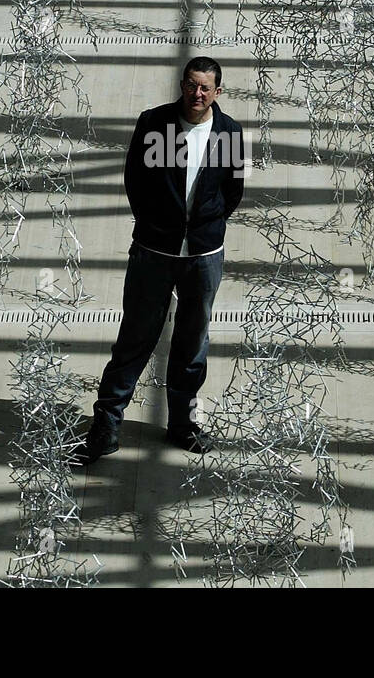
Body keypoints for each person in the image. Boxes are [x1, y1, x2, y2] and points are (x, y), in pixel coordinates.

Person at [72, 57, 245, 467]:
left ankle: (183, 425)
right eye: (191, 85)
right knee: (134, 338)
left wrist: (204, 227)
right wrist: (156, 225)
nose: (197, 94)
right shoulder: (154, 124)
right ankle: (106, 427)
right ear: (182, 85)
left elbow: (233, 191)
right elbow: (135, 180)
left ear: (217, 92)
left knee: (192, 341)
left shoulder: (230, 134)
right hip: (154, 251)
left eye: (205, 88)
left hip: (202, 255)